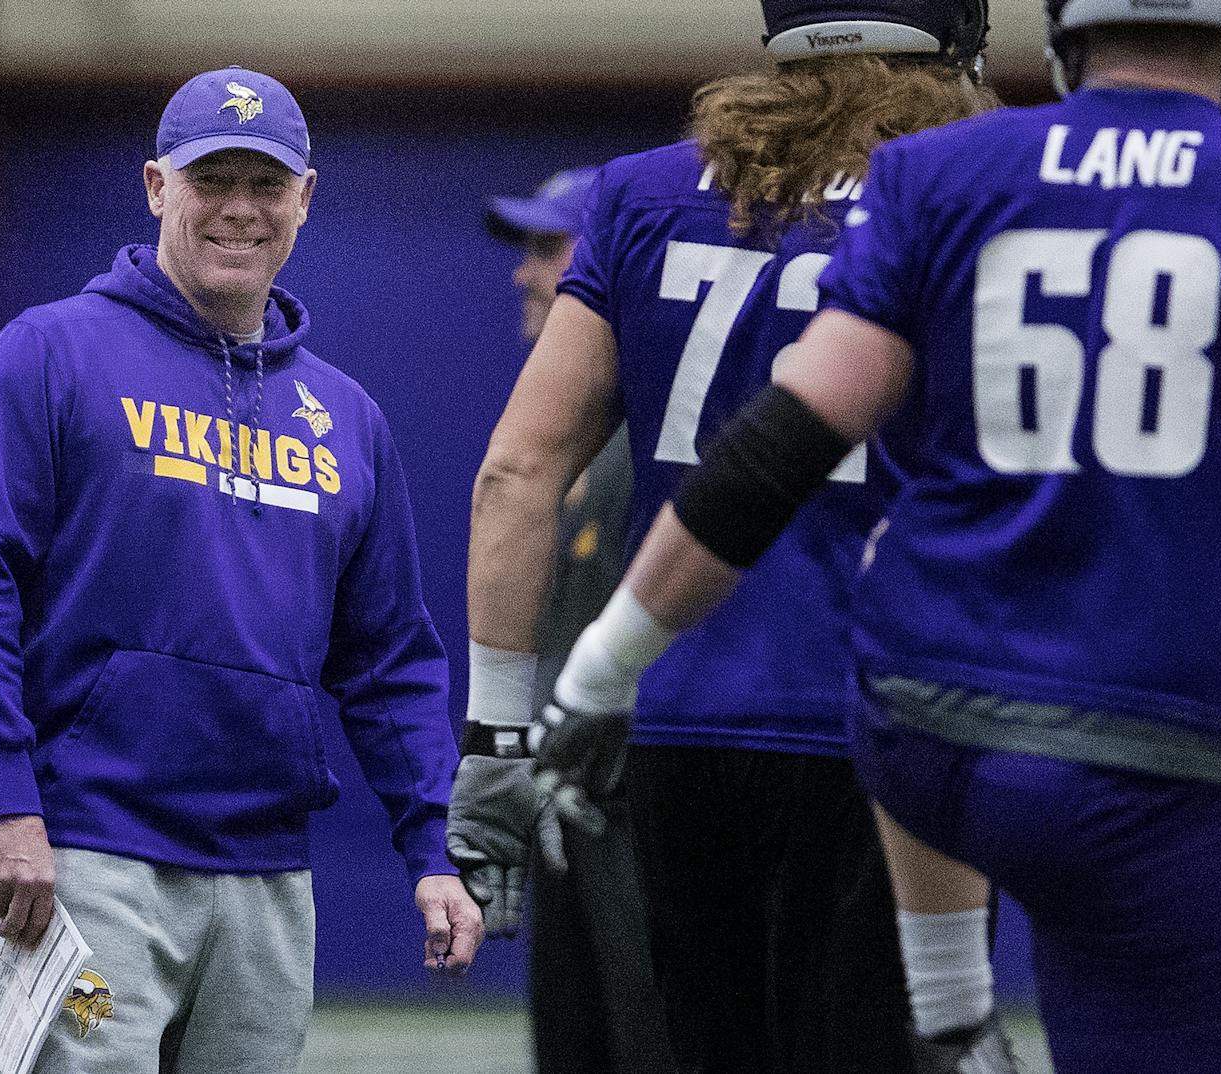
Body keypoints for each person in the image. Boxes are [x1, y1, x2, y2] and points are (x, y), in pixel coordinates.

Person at [534, 3, 1221, 1073]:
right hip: (1166, 731)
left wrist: (598, 669)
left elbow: (777, 450)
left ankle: (953, 1013)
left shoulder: (946, 175)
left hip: (936, 728)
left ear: (1063, 43)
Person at [446, 4, 1000, 1072]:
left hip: (679, 729)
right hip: (888, 732)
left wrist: (496, 738)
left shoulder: (646, 192)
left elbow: (516, 473)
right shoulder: (965, 189)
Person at [0, 66, 483, 1074]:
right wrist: (6, 801)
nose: (238, 208)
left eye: (265, 184)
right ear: (154, 186)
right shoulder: (48, 354)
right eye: (209, 177)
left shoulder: (346, 419)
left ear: (305, 198)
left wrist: (432, 845)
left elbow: (390, 655)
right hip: (83, 847)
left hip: (268, 870)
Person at [465, 168, 672, 1074]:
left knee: (652, 1044)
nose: (526, 272)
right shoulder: (570, 436)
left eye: (551, 247)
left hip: (636, 811)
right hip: (565, 810)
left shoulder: (653, 434)